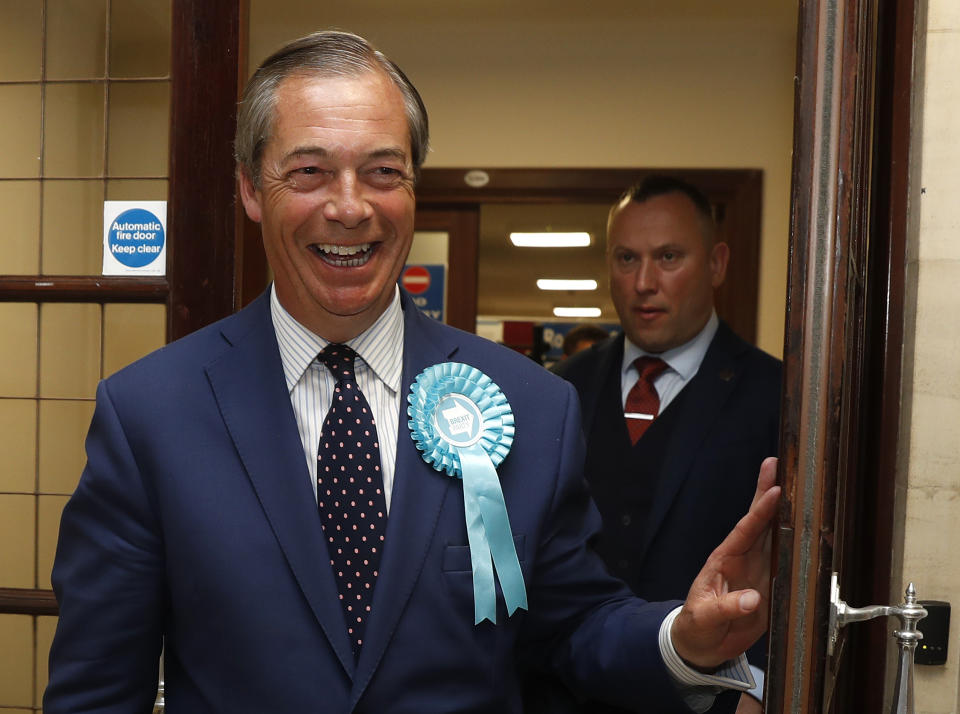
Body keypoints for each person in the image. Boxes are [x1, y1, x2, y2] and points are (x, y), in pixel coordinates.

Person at [44, 32, 779, 714]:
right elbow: (98, 692)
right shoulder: (149, 415)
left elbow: (571, 628)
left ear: (413, 187)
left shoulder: (532, 407)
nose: (350, 206)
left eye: (383, 171)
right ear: (247, 189)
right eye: (309, 171)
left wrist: (682, 638)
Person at [550, 175, 782, 712]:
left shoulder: (779, 398)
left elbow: (791, 563)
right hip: (565, 690)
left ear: (718, 264)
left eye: (669, 257)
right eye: (626, 259)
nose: (644, 282)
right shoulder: (560, 389)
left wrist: (761, 685)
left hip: (714, 695)